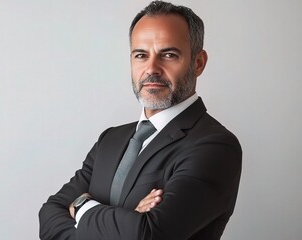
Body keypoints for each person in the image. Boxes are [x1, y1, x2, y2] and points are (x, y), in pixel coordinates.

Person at [39, 1, 242, 239]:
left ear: (198, 63)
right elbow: (49, 216)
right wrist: (127, 218)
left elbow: (148, 234)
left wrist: (82, 207)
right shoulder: (110, 139)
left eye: (168, 54)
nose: (151, 68)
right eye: (141, 55)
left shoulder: (215, 146)